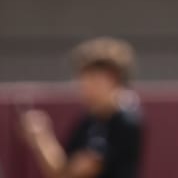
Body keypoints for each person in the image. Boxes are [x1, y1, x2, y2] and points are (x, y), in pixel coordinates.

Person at [20, 37, 143, 178]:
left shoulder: (125, 121)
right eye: (83, 80)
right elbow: (62, 169)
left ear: (112, 79)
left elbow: (68, 174)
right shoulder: (88, 120)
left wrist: (42, 138)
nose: (85, 87)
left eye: (93, 79)